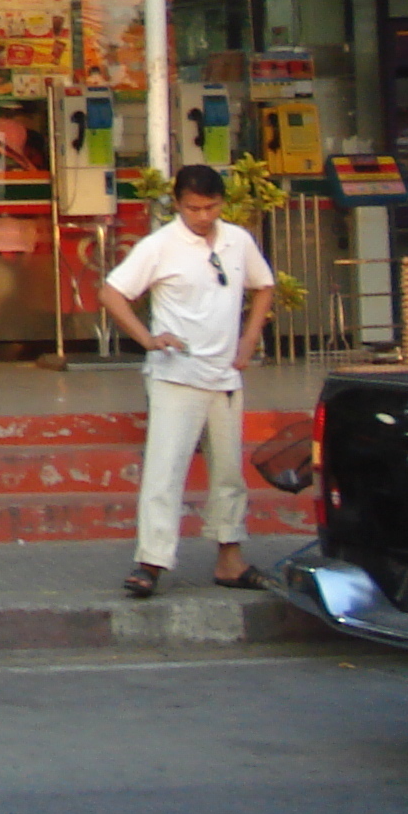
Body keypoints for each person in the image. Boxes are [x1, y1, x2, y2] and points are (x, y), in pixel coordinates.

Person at [98, 163, 275, 600]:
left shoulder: (238, 240)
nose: (202, 216)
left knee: (229, 471)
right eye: (193, 208)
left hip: (224, 374)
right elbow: (112, 292)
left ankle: (229, 557)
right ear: (178, 204)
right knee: (165, 469)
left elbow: (263, 286)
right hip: (177, 375)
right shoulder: (160, 245)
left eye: (210, 207)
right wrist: (147, 339)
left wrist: (249, 339)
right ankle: (152, 561)